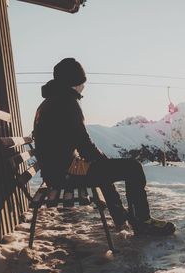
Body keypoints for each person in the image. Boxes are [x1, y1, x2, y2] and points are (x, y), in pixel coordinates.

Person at [32, 58, 175, 236]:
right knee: (133, 167)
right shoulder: (66, 103)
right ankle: (142, 222)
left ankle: (123, 218)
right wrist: (103, 161)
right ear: (72, 82)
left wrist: (102, 163)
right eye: (81, 82)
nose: (83, 86)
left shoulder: (50, 102)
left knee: (103, 170)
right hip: (65, 172)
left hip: (56, 170)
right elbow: (84, 145)